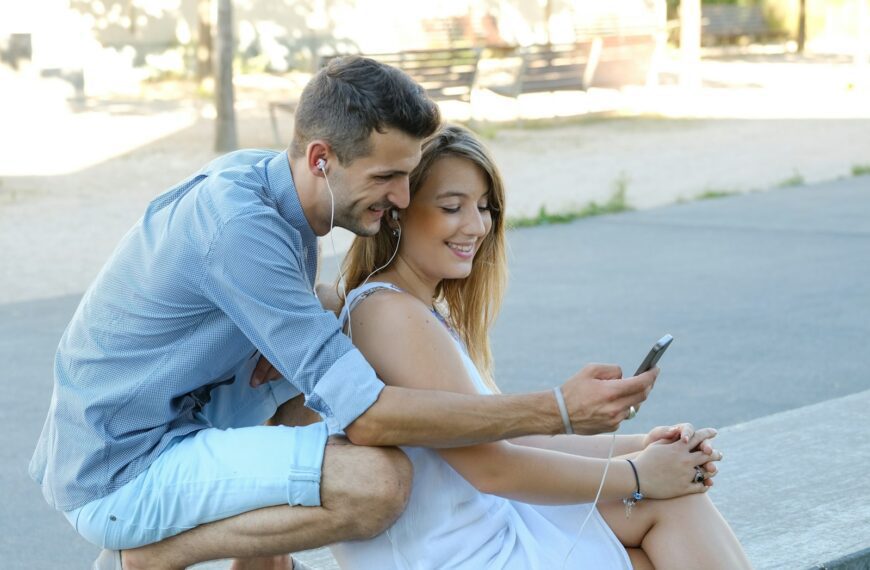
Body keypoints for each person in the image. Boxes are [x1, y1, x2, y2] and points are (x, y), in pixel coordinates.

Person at [28, 57, 659, 570]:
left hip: (177, 424)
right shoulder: (241, 230)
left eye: (410, 177)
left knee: (327, 321)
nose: (403, 198)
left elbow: (319, 363)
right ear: (322, 158)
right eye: (388, 177)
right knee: (374, 481)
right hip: (122, 470)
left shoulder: (271, 186)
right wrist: (559, 410)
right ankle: (150, 557)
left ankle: (262, 565)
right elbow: (370, 414)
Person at [329, 124, 752, 569]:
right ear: (396, 212)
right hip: (458, 556)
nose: (477, 226)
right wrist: (639, 473)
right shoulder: (389, 314)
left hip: (486, 533)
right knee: (669, 509)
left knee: (671, 517)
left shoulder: (414, 310)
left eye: (485, 207)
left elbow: (511, 439)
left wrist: (640, 445)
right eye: (452, 206)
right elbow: (495, 469)